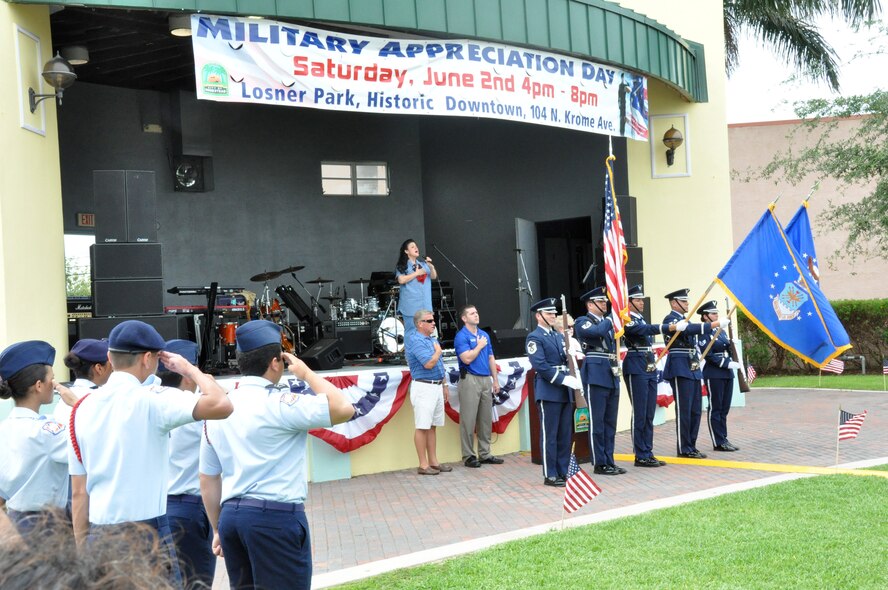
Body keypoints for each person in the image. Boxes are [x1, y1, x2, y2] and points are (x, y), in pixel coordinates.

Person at [68, 320, 232, 587]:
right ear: (147, 359)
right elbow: (222, 404)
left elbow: (78, 492)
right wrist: (190, 369)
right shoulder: (155, 399)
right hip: (147, 533)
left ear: (109, 357)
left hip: (99, 532)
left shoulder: (80, 408)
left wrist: (83, 550)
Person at [199, 320, 356, 590]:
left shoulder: (221, 406)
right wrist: (306, 373)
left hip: (231, 519)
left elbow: (207, 478)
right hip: (273, 517)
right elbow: (343, 407)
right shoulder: (281, 404)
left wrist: (217, 528)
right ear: (275, 362)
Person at [156, 339, 215, 589]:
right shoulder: (193, 408)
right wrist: (201, 377)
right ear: (187, 373)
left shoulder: (152, 400)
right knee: (196, 583)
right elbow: (224, 404)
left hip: (157, 507)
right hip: (189, 508)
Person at [0, 341, 70, 535]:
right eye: (52, 379)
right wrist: (78, 404)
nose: (55, 385)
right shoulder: (47, 432)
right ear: (39, 385)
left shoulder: (4, 428)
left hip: (11, 522)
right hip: (47, 527)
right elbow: (92, 444)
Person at [661, 289, 729, 458]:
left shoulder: (686, 320)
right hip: (679, 366)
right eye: (683, 302)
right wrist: (714, 324)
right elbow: (690, 330)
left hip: (692, 367)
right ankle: (684, 448)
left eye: (686, 301)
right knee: (684, 409)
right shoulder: (670, 320)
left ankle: (692, 445)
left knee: (695, 410)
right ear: (674, 302)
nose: (687, 304)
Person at [525, 298, 582, 487]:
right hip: (549, 390)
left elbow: (565, 361)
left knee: (564, 434)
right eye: (549, 313)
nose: (553, 316)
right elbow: (540, 365)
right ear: (538, 316)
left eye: (554, 313)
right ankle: (550, 474)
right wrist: (563, 379)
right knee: (550, 434)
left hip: (564, 391)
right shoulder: (534, 337)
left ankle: (563, 470)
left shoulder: (558, 336)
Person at [623, 285, 679, 467]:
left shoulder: (639, 318)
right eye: (638, 300)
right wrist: (668, 327)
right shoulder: (627, 318)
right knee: (640, 412)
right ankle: (640, 454)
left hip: (647, 364)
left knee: (648, 412)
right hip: (635, 363)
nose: (641, 302)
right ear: (629, 302)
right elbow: (640, 331)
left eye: (641, 299)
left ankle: (648, 451)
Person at [574, 287, 625, 475]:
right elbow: (595, 333)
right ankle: (599, 462)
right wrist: (613, 317)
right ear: (590, 304)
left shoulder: (608, 322)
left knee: (610, 421)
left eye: (605, 301)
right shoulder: (583, 322)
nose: (605, 304)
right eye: (600, 301)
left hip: (611, 372)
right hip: (596, 373)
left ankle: (609, 460)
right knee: (597, 421)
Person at [454, 304, 503, 468]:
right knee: (468, 419)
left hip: (484, 379)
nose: (476, 315)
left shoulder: (484, 335)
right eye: (472, 313)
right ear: (464, 318)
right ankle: (468, 455)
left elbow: (491, 358)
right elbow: (466, 358)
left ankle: (485, 453)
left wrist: (495, 380)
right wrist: (479, 346)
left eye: (477, 312)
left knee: (485, 419)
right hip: (470, 378)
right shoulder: (461, 336)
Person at [404, 309, 451, 475]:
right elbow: (429, 364)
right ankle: (423, 465)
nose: (433, 323)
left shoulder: (431, 339)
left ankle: (433, 461)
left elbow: (439, 366)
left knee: (432, 426)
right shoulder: (416, 341)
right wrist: (438, 352)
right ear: (419, 324)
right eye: (429, 321)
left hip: (436, 386)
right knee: (422, 426)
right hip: (424, 387)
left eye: (433, 320)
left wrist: (444, 385)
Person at [697, 301, 742, 452]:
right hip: (714, 372)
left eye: (716, 313)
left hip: (726, 373)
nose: (716, 315)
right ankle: (718, 441)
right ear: (705, 317)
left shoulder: (721, 331)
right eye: (713, 313)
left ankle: (724, 437)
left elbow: (727, 349)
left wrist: (732, 343)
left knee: (724, 408)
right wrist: (726, 363)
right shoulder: (704, 332)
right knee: (715, 408)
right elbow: (708, 355)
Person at [55, 339, 112, 425]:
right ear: (99, 368)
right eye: (110, 364)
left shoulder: (65, 397)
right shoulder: (101, 398)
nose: (113, 369)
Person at [395, 238, 437, 338]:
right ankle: (411, 354)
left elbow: (433, 276)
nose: (416, 248)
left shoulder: (423, 265)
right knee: (411, 334)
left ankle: (426, 353)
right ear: (406, 251)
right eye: (412, 247)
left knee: (427, 333)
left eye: (416, 246)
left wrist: (431, 267)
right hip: (411, 306)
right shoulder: (402, 266)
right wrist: (417, 273)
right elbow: (401, 280)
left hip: (425, 305)